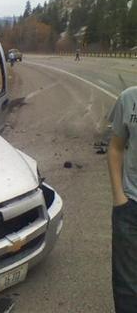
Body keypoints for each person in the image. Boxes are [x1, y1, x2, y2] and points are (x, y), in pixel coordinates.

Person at [107, 86, 137, 313]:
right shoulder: (128, 98)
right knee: (126, 285)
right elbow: (116, 147)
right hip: (130, 206)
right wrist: (119, 196)